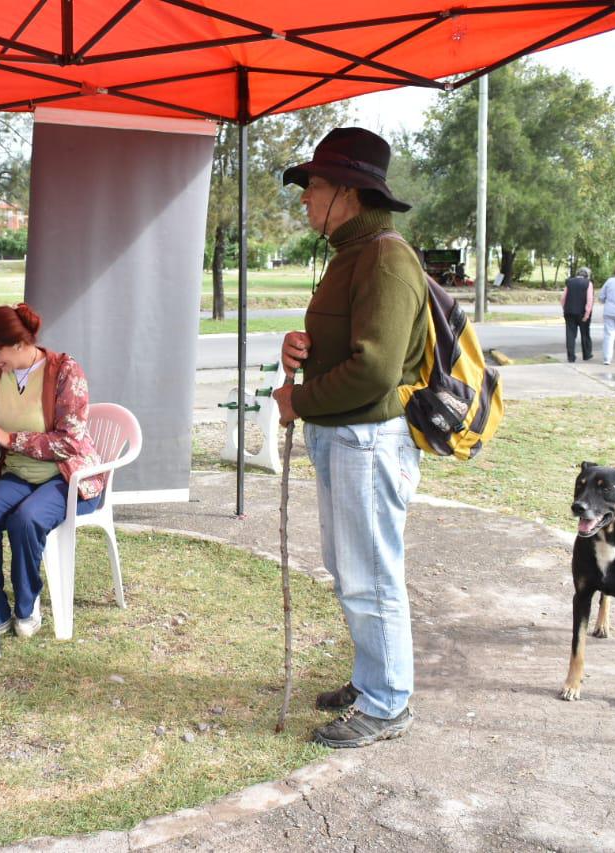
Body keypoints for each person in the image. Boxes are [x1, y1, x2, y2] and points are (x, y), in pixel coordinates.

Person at [272, 128, 428, 749]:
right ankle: (372, 682)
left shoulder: (386, 259)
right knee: (350, 569)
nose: (306, 200)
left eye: (313, 187)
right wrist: (300, 352)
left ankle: (389, 703)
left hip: (369, 441)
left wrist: (298, 398)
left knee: (371, 575)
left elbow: (376, 369)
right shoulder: (351, 254)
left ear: (347, 191)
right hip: (344, 438)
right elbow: (349, 347)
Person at [0, 304, 104, 643]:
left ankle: (27, 606)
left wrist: (9, 438)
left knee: (26, 520)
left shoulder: (67, 372)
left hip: (67, 478)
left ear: (20, 344)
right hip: (18, 474)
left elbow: (69, 443)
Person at [560, 266, 595, 363]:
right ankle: (587, 354)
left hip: (569, 312)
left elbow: (563, 299)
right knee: (585, 333)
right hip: (582, 313)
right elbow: (589, 300)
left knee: (570, 334)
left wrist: (565, 309)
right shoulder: (588, 283)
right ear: (587, 275)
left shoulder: (569, 282)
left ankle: (571, 357)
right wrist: (587, 314)